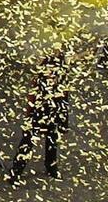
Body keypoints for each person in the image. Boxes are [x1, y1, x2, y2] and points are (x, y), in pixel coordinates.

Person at [15, 47, 68, 180]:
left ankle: (51, 168)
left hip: (53, 113)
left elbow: (64, 98)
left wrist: (63, 119)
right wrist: (29, 115)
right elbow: (32, 97)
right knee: (27, 142)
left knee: (52, 142)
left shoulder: (61, 78)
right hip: (37, 113)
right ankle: (17, 170)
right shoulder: (39, 80)